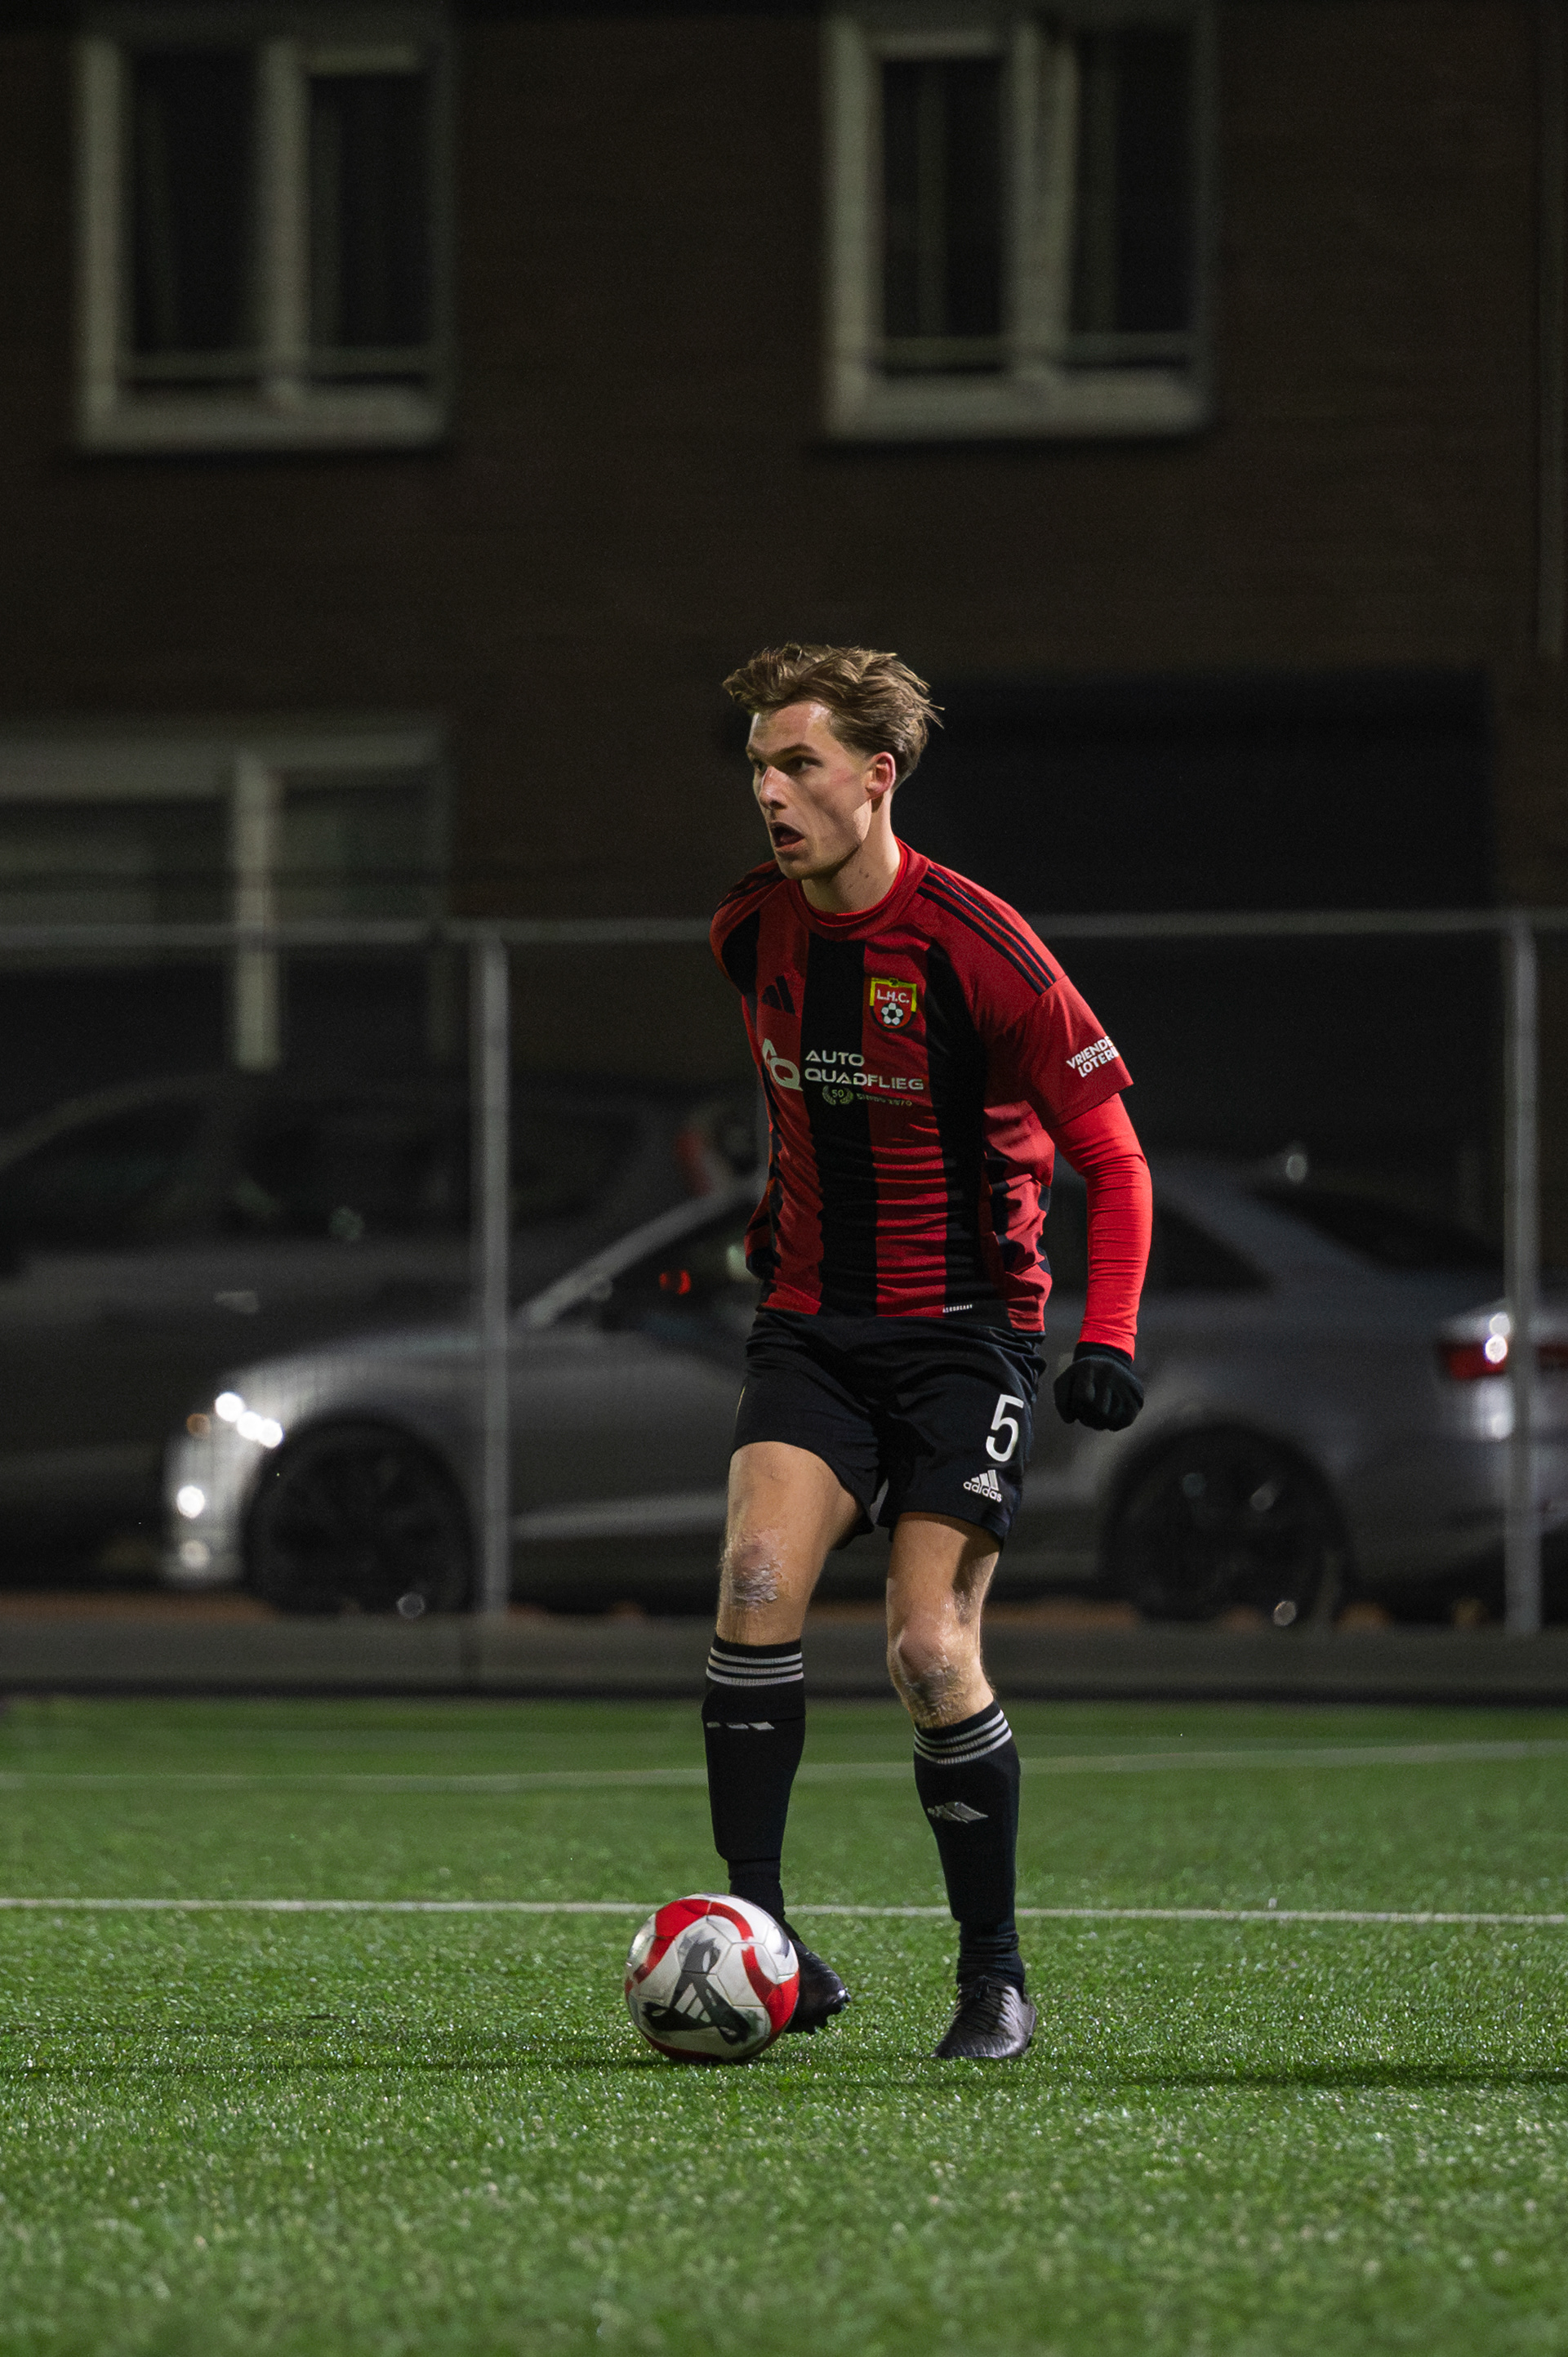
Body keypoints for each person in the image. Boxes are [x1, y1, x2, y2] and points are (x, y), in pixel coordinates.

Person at [704, 645, 1152, 2061]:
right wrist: (772, 1224)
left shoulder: (980, 948)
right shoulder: (749, 930)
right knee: (755, 1580)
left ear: (877, 776)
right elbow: (798, 1117)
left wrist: (1106, 1335)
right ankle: (766, 1944)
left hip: (965, 1337)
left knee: (926, 1645)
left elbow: (1116, 1159)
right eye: (759, 767)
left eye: (800, 764)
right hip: (812, 1324)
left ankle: (995, 1977)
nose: (771, 792)